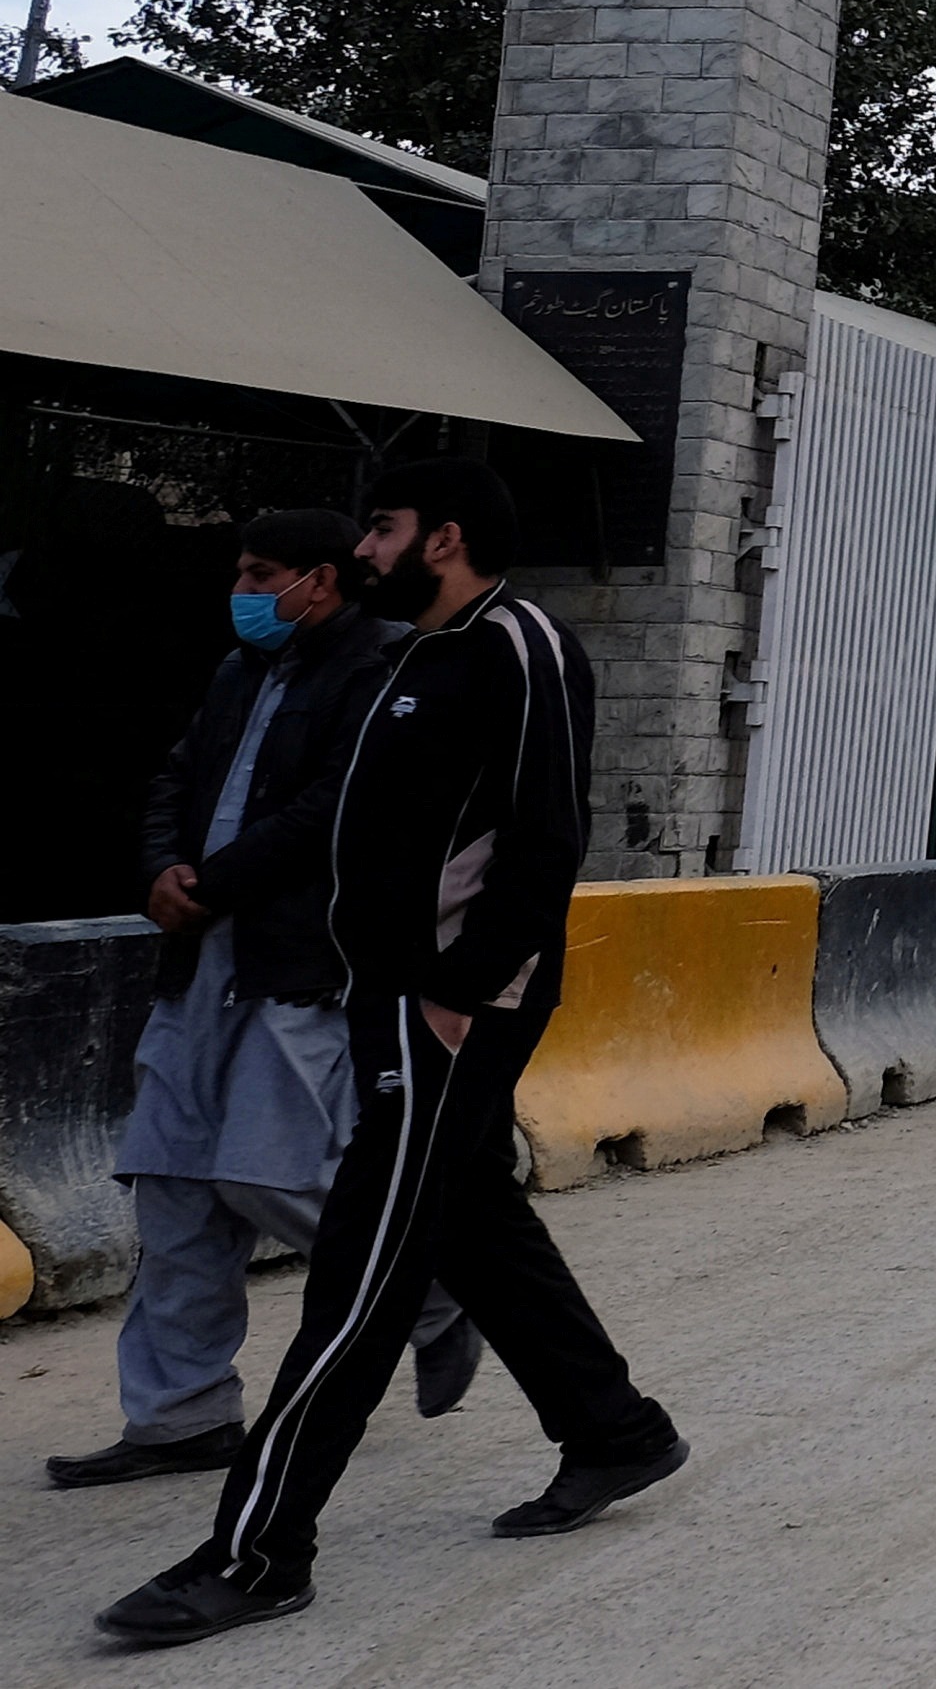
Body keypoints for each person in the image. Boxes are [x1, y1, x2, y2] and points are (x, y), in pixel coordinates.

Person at [100, 457, 687, 1652]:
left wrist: (460, 993)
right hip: (386, 998)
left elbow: (547, 835)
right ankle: (614, 1427)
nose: (364, 548)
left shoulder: (518, 645)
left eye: (383, 525)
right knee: (470, 1216)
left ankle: (259, 1553)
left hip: (447, 1008)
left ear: (446, 536)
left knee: (357, 1274)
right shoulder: (414, 654)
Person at [50, 513, 473, 1494]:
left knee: (261, 1173)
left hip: (302, 963)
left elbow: (339, 807)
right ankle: (180, 1413)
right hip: (200, 961)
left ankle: (439, 1278)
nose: (241, 588)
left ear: (318, 579)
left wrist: (219, 878)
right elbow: (171, 775)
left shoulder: (383, 668)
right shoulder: (241, 670)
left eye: (258, 572)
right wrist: (162, 866)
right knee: (172, 1183)